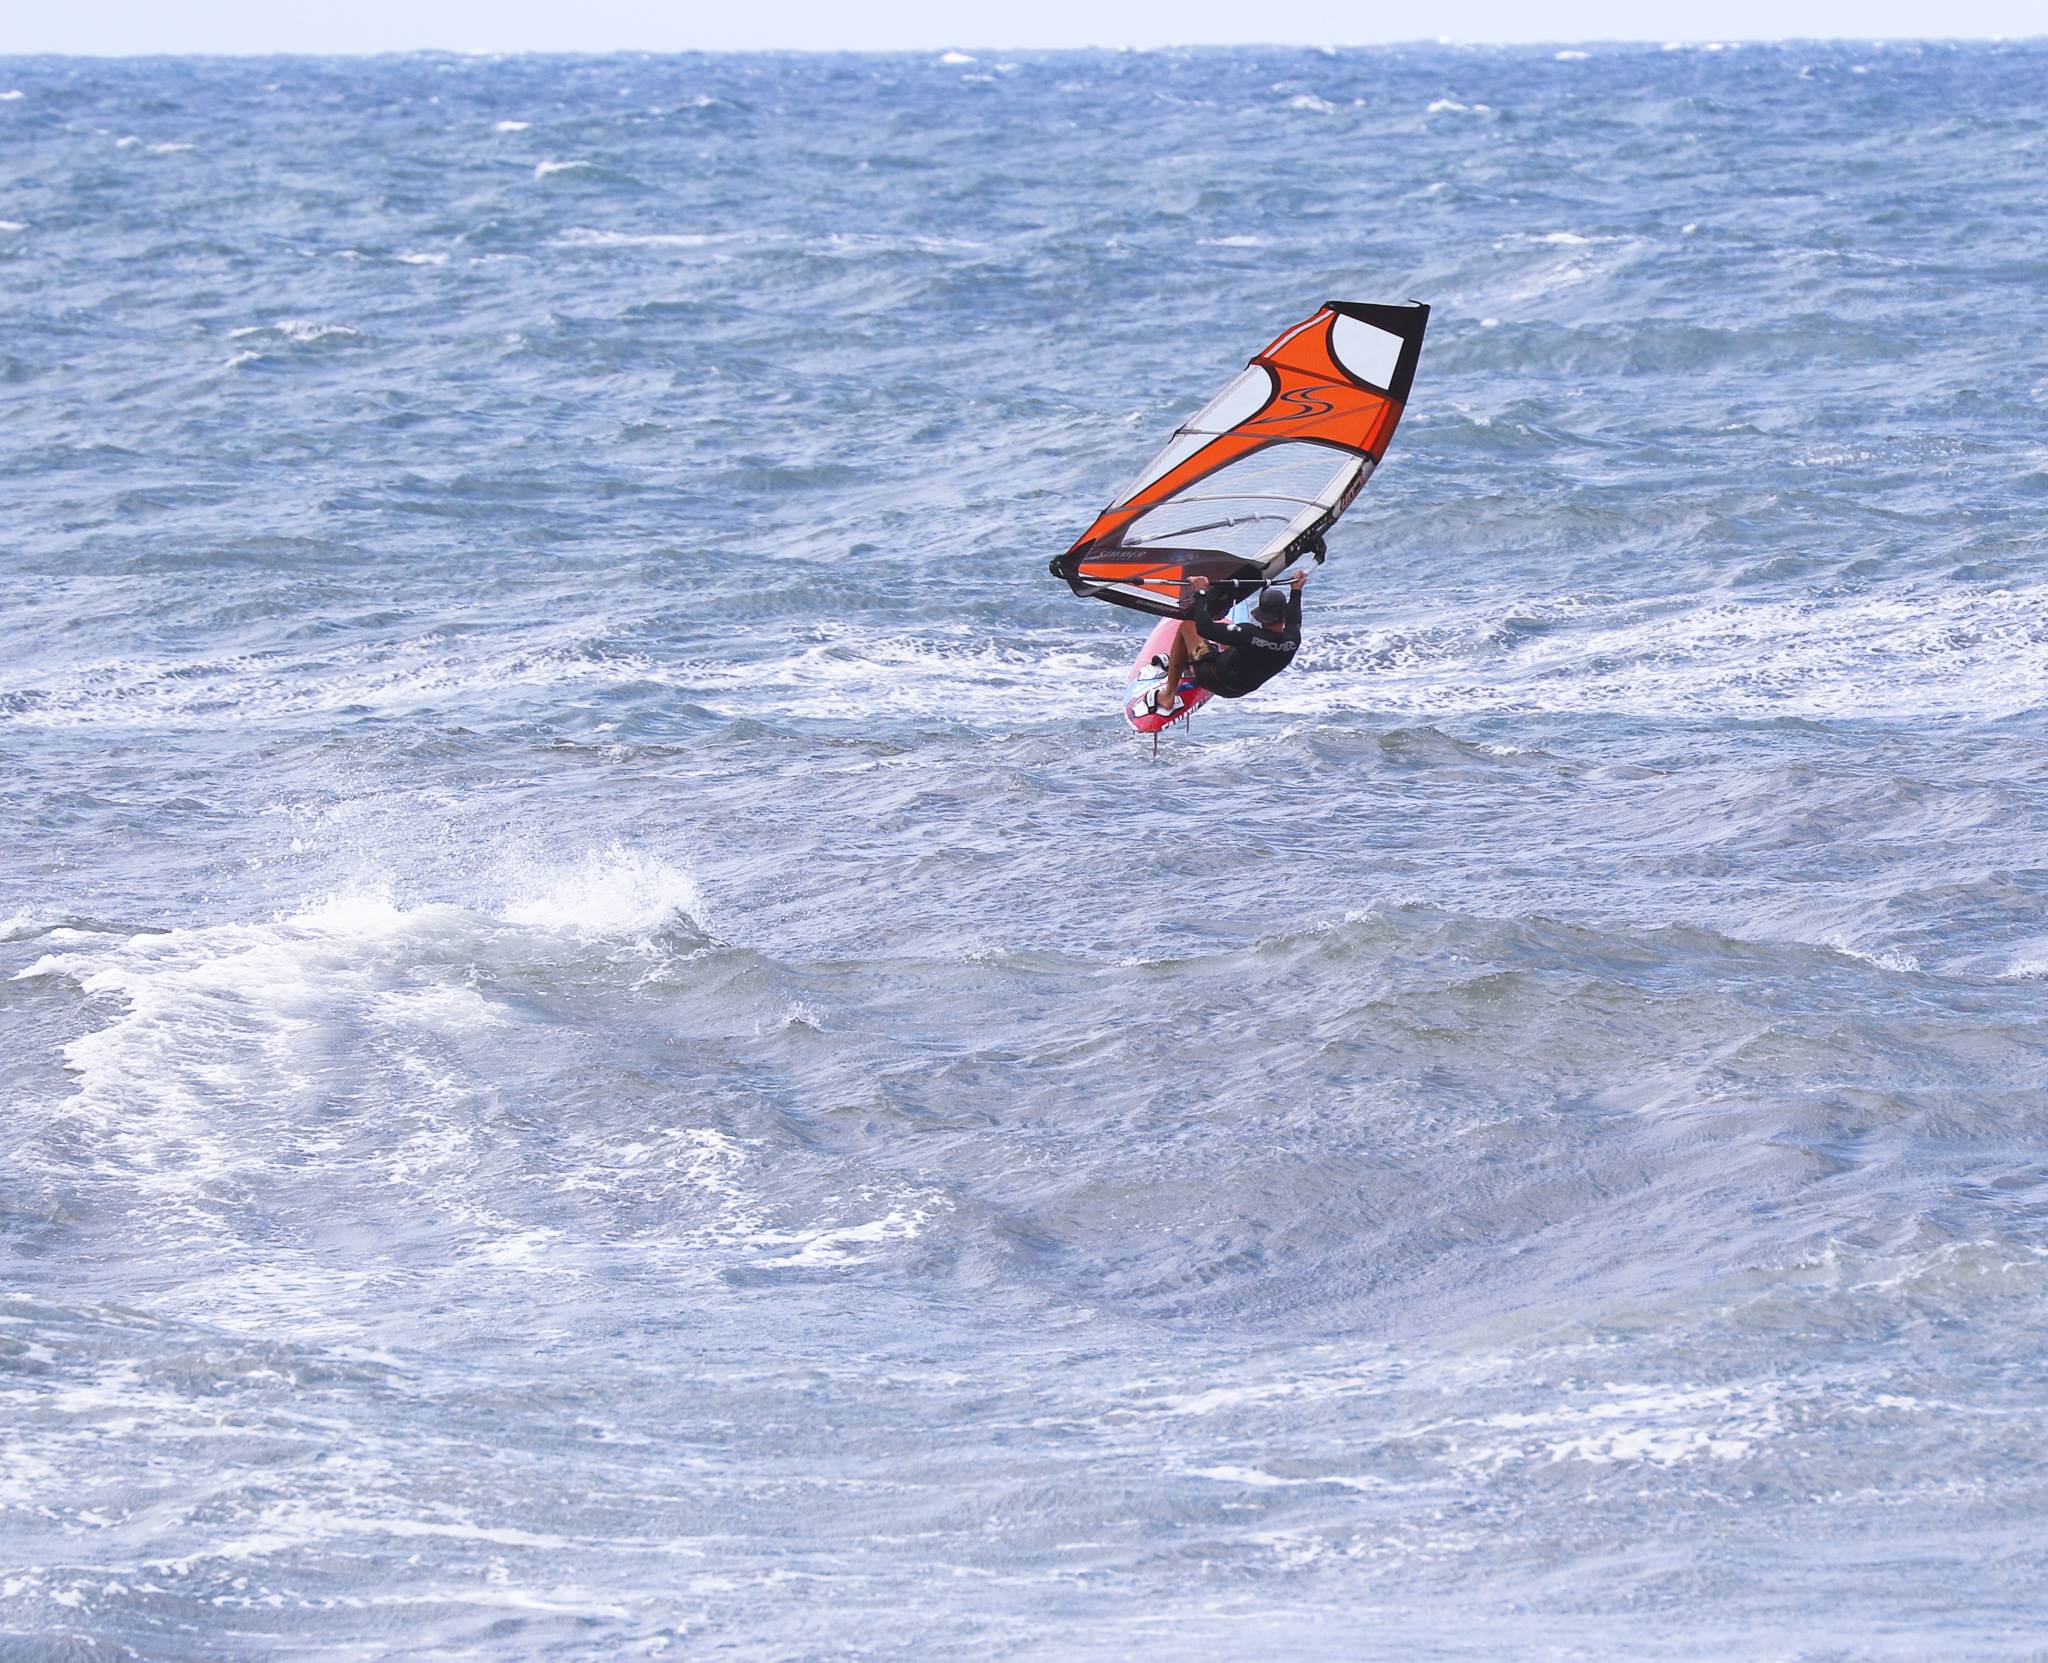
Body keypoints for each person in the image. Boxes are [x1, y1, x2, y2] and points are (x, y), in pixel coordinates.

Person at [1149, 569, 1306, 716]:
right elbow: (1294, 620)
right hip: (1241, 689)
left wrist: (1201, 592)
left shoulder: (1247, 633)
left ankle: (1168, 696)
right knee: (1229, 634)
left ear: (1261, 615)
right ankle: (1191, 665)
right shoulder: (1292, 639)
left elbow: (1204, 628)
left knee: (1187, 626)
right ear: (1284, 615)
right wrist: (1296, 590)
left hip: (1212, 677)